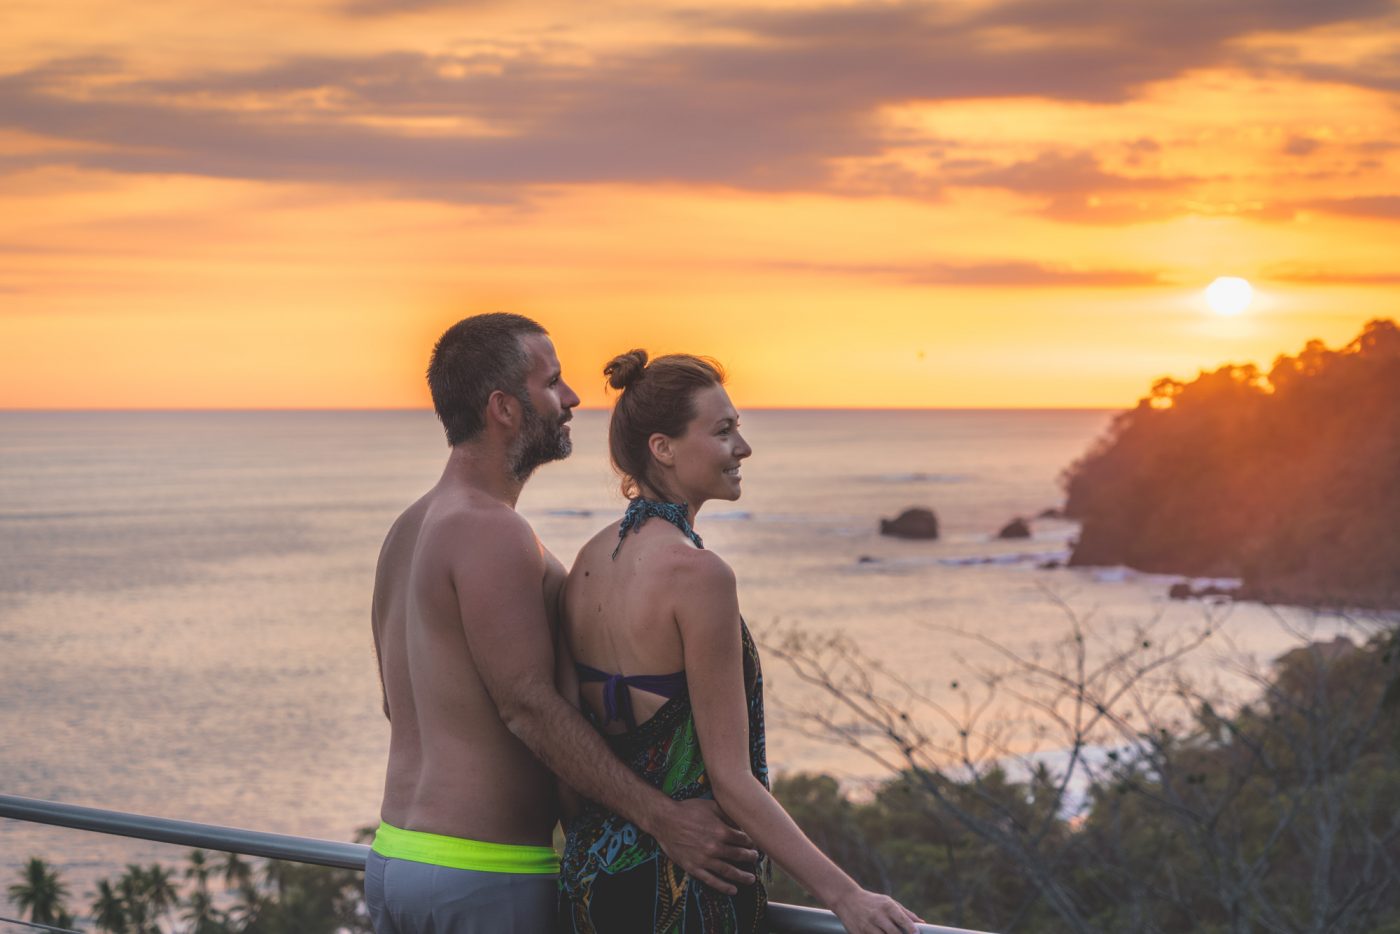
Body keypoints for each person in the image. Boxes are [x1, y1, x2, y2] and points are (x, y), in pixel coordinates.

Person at [365, 315, 759, 933]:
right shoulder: (493, 533)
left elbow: (399, 704)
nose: (573, 398)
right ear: (504, 407)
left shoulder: (409, 530)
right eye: (552, 383)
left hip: (397, 856)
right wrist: (664, 819)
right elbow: (528, 709)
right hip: (483, 872)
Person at [558, 350, 923, 933]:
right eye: (723, 431)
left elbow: (573, 751)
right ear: (663, 448)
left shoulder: (587, 562)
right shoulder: (698, 575)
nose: (743, 448)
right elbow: (731, 780)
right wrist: (847, 896)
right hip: (683, 888)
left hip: (588, 880)